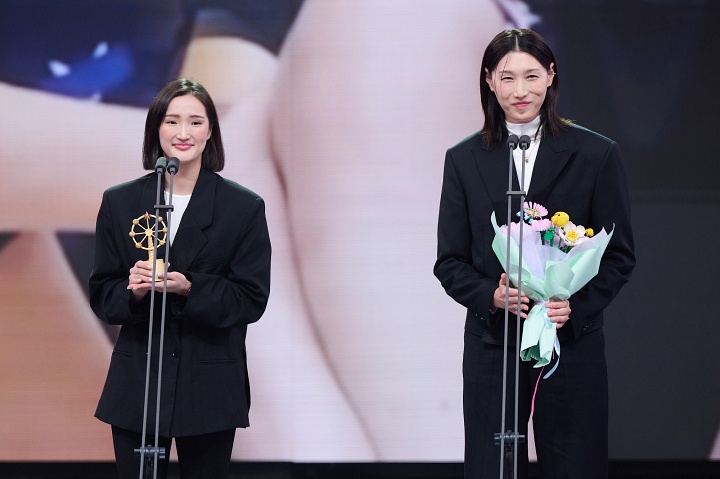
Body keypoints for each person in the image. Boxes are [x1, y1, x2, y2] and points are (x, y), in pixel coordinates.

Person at [434, 29, 635, 479]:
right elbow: (449, 261)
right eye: (507, 78)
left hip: (571, 344)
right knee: (493, 467)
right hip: (493, 346)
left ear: (551, 75)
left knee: (574, 465)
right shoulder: (464, 159)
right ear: (489, 81)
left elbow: (619, 256)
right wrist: (491, 295)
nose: (520, 90)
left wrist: (573, 306)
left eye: (531, 76)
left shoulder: (595, 154)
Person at [89, 78, 271, 478]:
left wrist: (189, 287)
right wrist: (134, 291)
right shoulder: (120, 202)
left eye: (195, 122)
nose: (183, 133)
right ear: (156, 128)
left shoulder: (242, 207)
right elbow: (103, 294)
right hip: (139, 382)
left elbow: (250, 299)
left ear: (210, 131)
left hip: (208, 384)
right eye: (171, 121)